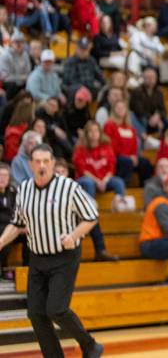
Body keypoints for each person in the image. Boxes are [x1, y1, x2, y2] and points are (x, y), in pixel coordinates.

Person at [0, 143, 104, 358]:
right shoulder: (24, 189)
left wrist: (74, 235)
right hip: (37, 258)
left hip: (64, 257)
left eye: (46, 161)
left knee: (56, 309)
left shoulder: (69, 187)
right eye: (37, 161)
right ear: (30, 165)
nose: (42, 166)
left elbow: (92, 216)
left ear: (53, 163)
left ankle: (90, 345)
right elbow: (17, 223)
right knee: (36, 314)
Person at [73, 120, 127, 202]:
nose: (93, 133)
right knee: (88, 183)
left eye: (96, 130)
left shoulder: (107, 147)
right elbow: (82, 171)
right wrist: (97, 181)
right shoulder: (80, 149)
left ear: (100, 133)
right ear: (86, 134)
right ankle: (90, 210)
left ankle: (120, 208)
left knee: (119, 182)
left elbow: (111, 168)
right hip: (86, 179)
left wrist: (104, 181)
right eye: (90, 131)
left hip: (104, 179)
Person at [104, 100, 153, 184]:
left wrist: (133, 156)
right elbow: (111, 146)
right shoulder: (109, 125)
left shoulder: (130, 127)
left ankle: (143, 187)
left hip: (130, 157)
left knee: (146, 163)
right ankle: (124, 187)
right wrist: (129, 157)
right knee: (126, 162)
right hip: (116, 157)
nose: (120, 109)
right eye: (118, 108)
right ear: (113, 110)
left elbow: (134, 145)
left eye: (123, 108)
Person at [130, 67, 167, 138]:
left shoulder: (159, 92)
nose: (151, 80)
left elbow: (163, 110)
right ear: (143, 78)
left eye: (153, 77)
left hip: (154, 118)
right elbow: (139, 111)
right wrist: (152, 118)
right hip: (141, 117)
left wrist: (158, 116)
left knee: (167, 123)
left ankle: (164, 145)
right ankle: (145, 139)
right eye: (148, 78)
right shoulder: (137, 91)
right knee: (141, 119)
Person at [0, 30, 32, 98]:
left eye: (21, 42)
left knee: (31, 83)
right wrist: (21, 77)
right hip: (7, 84)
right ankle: (6, 106)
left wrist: (24, 78)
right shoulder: (5, 55)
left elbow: (28, 73)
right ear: (11, 43)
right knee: (12, 85)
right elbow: (5, 77)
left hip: (21, 82)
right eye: (16, 42)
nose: (19, 44)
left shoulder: (25, 55)